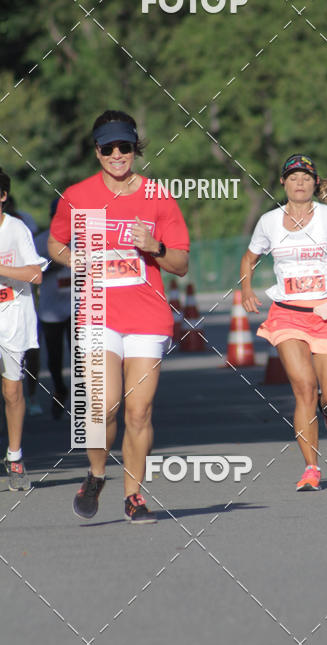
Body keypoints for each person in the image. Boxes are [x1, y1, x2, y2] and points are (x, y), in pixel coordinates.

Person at [48, 110, 190, 524]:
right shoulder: (77, 196)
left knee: (139, 411)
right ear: (97, 151)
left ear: (135, 149)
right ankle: (96, 474)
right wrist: (73, 260)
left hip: (147, 317)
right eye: (107, 148)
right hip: (98, 314)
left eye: (123, 147)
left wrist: (155, 247)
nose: (116, 155)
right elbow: (56, 243)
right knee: (103, 405)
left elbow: (181, 265)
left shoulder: (158, 197)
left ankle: (134, 496)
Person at [240, 154, 327, 492]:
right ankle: (311, 468)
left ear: (315, 183)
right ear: (283, 183)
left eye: (306, 177)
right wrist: (246, 289)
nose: (300, 183)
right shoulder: (269, 222)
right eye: (293, 177)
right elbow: (250, 257)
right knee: (304, 389)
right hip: (287, 314)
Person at [0, 168, 46, 491]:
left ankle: (14, 456)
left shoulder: (16, 229)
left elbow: (36, 274)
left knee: (12, 392)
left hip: (12, 316)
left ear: (3, 196)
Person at [35, 200, 71, 418]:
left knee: (81, 354)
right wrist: (52, 264)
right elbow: (31, 271)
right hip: (50, 308)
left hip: (77, 305)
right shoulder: (41, 241)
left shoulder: (80, 238)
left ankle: (85, 398)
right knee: (54, 356)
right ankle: (59, 388)